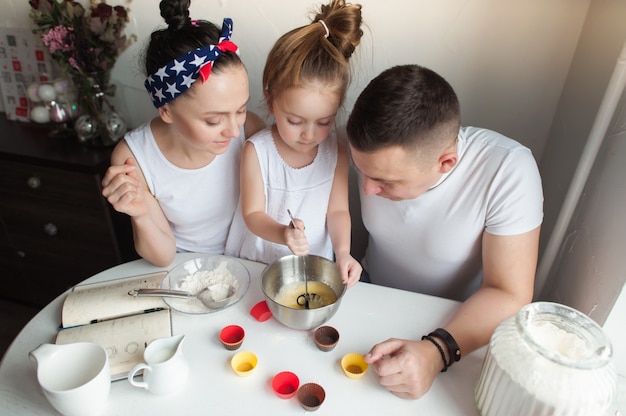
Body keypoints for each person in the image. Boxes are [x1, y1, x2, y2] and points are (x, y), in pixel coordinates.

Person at [346, 64, 543, 399]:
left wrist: (438, 351)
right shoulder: (374, 163)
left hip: (456, 324)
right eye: (361, 171)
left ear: (446, 163)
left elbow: (510, 293)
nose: (366, 191)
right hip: (371, 295)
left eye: (385, 182)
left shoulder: (507, 169)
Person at [101, 0, 264, 267]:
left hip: (252, 262)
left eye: (241, 109)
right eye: (213, 120)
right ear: (166, 111)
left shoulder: (252, 130)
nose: (235, 131)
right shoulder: (134, 158)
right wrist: (140, 214)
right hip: (188, 270)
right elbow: (163, 256)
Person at [225, 0, 363, 287]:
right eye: (295, 121)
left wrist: (343, 253)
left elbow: (337, 211)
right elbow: (252, 214)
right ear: (270, 101)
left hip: (314, 266)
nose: (309, 135)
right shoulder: (258, 151)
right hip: (259, 265)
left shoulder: (335, 150)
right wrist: (283, 234)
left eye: (324, 122)